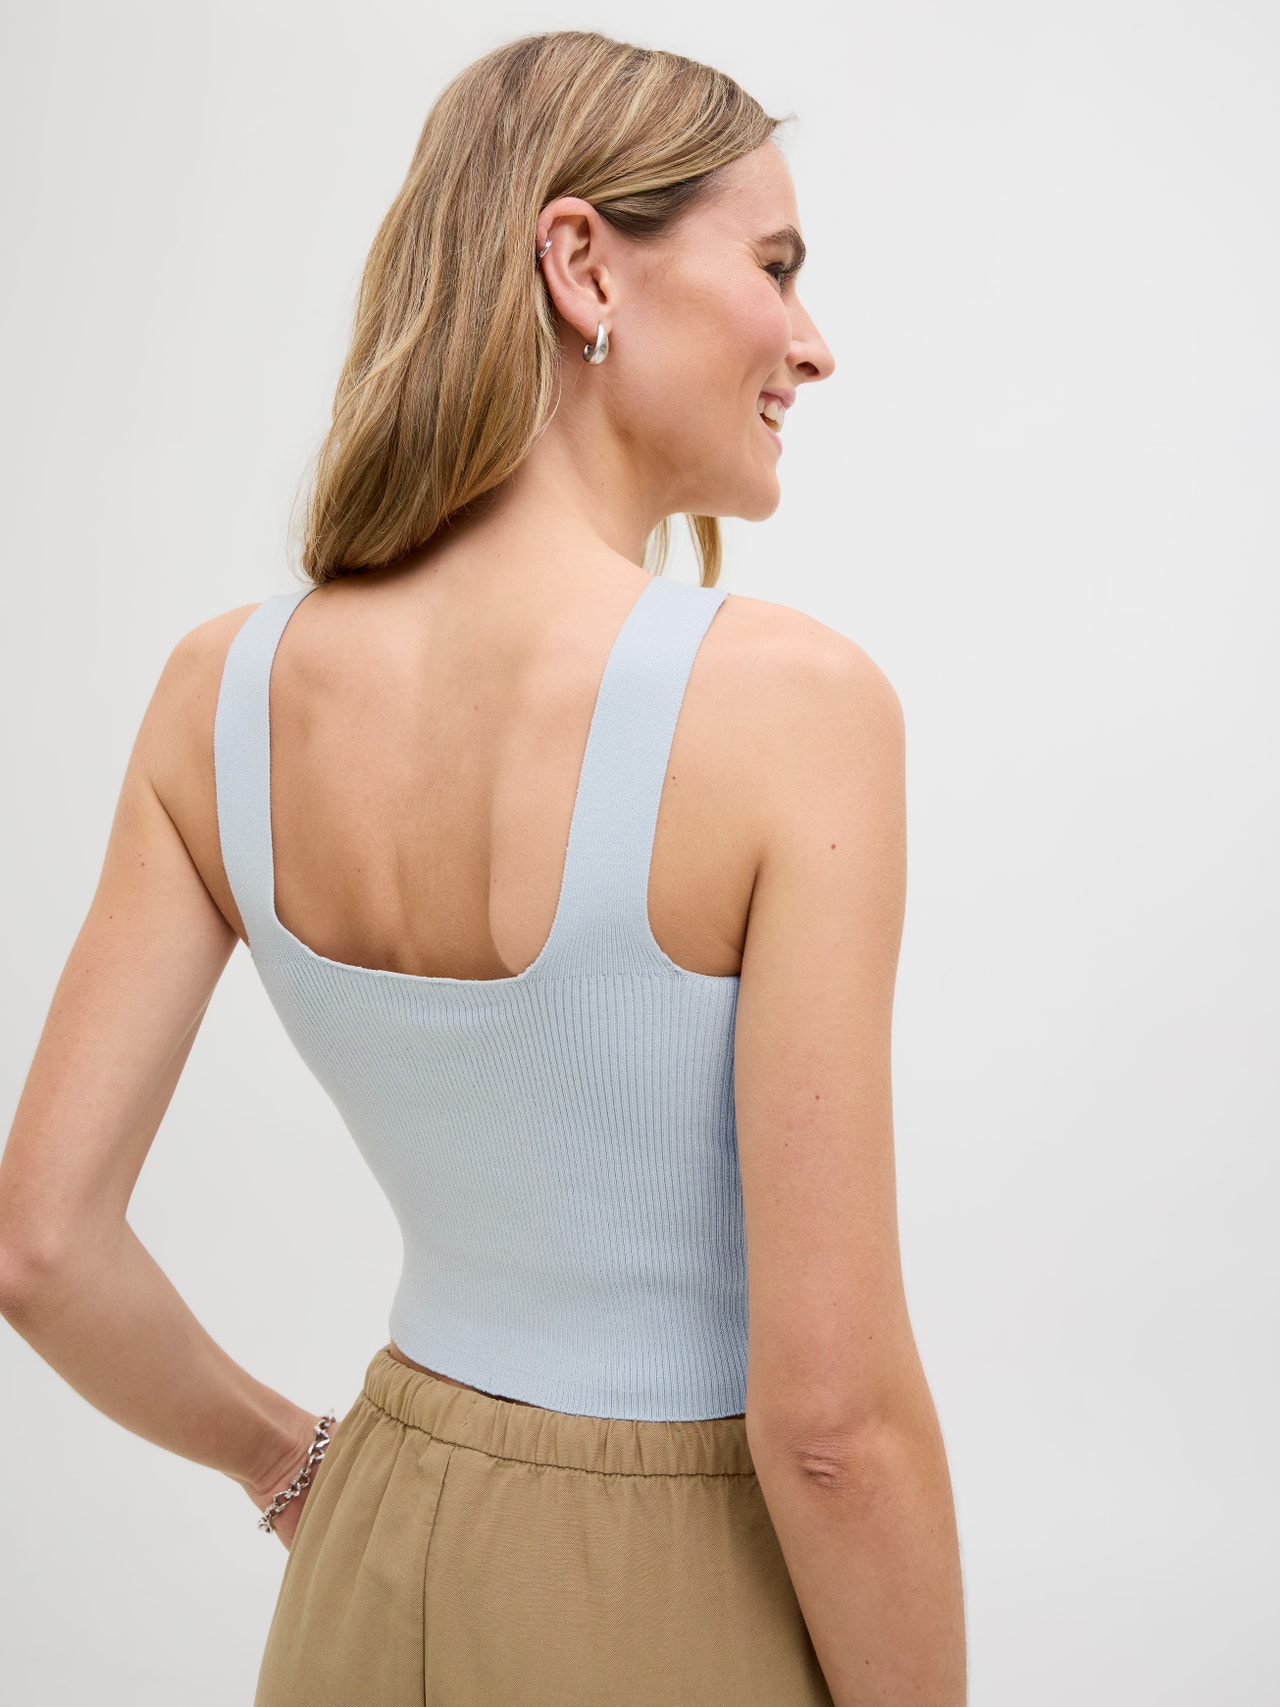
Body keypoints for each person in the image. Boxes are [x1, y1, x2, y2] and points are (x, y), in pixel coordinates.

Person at [0, 28, 965, 1707]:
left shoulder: (220, 695)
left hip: (371, 1561)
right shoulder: (789, 708)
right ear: (582, 262)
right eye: (775, 266)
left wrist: (287, 1465)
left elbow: (42, 1245)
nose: (812, 342)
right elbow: (831, 1429)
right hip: (676, 1583)